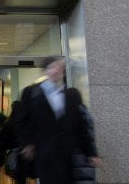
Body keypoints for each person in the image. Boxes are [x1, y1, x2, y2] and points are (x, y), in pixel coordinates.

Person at [16, 56, 101, 184]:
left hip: (67, 154)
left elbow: (81, 126)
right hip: (44, 153)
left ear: (63, 71)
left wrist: (91, 153)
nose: (55, 71)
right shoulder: (31, 93)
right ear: (45, 72)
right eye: (51, 68)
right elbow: (22, 121)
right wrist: (27, 143)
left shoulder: (72, 95)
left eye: (58, 67)